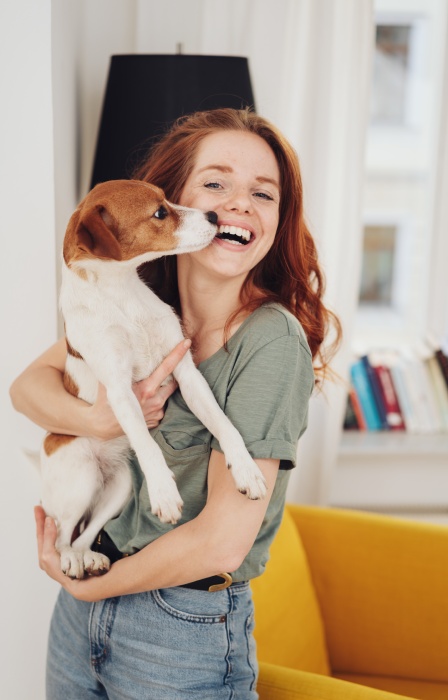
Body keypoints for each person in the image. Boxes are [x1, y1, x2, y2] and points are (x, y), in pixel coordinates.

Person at [10, 107, 341, 699]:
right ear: (177, 198)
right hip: (80, 616)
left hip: (178, 634)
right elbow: (25, 389)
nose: (236, 203)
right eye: (216, 183)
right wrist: (97, 418)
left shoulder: (269, 342)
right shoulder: (133, 298)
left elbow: (222, 541)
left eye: (263, 193)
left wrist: (92, 587)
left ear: (277, 220)